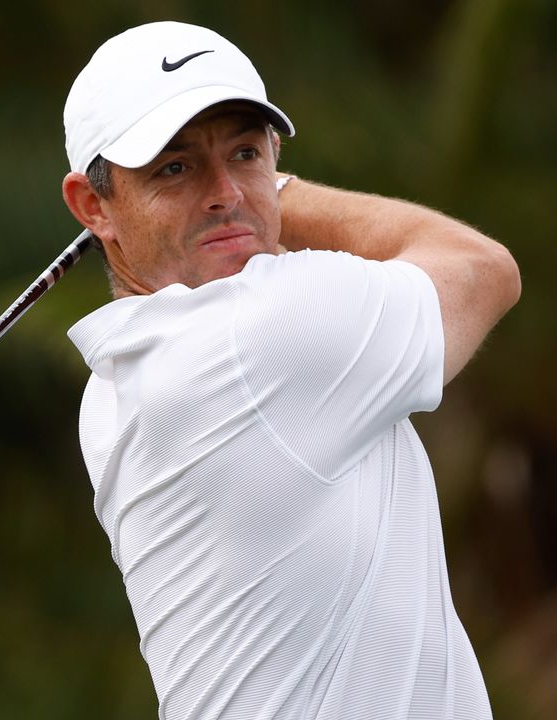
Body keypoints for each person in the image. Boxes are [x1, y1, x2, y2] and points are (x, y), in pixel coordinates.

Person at [60, 21, 520, 720]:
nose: (224, 192)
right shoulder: (258, 334)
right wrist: (274, 190)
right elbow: (481, 270)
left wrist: (242, 195)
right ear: (94, 206)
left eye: (245, 152)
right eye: (175, 168)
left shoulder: (116, 381)